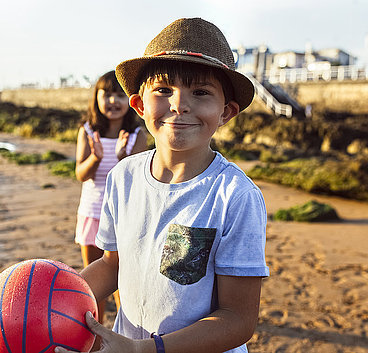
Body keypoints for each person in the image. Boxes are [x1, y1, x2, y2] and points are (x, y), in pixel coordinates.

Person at [57, 18, 269, 353]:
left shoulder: (234, 196)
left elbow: (237, 319)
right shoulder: (122, 178)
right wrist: (56, 301)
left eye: (200, 92)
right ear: (139, 105)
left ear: (226, 112)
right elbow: (112, 264)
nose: (179, 105)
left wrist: (146, 349)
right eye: (163, 90)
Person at [75, 70, 147, 326]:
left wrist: (120, 159)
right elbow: (81, 174)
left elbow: (137, 179)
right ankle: (95, 330)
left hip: (124, 218)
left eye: (120, 95)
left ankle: (123, 332)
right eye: (107, 94)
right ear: (96, 97)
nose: (113, 101)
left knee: (121, 280)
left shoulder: (137, 135)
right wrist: (95, 156)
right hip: (92, 212)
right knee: (93, 283)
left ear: (130, 100)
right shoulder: (87, 131)